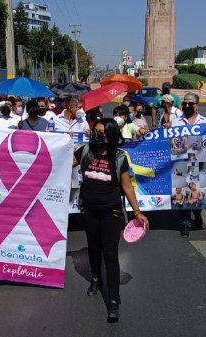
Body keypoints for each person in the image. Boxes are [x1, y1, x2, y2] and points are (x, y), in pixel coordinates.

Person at [72, 118, 149, 323]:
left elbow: (127, 186)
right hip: (89, 210)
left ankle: (114, 300)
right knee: (93, 248)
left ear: (112, 136)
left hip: (111, 212)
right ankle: (96, 279)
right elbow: (61, 162)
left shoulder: (119, 157)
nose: (98, 136)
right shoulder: (85, 151)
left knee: (110, 254)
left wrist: (137, 211)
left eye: (102, 133)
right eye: (95, 132)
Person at [172, 92, 206, 238]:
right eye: (184, 104)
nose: (187, 106)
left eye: (190, 104)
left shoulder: (205, 122)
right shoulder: (176, 122)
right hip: (180, 163)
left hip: (200, 164)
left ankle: (197, 213)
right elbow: (168, 139)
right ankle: (184, 223)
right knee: (182, 193)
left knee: (198, 195)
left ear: (196, 106)